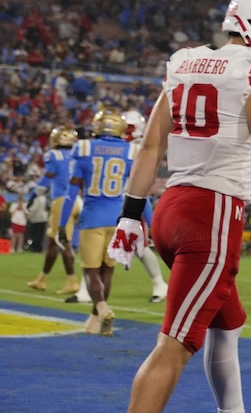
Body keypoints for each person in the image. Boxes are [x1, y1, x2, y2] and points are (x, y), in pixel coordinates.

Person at [106, 0, 251, 413]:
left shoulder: (185, 60)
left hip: (172, 207)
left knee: (228, 323)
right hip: (211, 214)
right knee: (174, 344)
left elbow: (152, 144)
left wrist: (131, 215)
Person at [59, 108, 135, 336]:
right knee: (107, 272)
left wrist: (63, 224)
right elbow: (138, 192)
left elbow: (71, 193)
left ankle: (101, 308)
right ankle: (96, 319)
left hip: (92, 218)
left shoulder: (83, 148)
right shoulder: (131, 151)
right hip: (118, 219)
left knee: (91, 272)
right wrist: (145, 222)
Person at [26, 124, 80, 296]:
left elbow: (47, 178)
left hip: (62, 201)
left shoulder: (53, 155)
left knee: (62, 242)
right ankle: (42, 279)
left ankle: (72, 280)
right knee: (53, 241)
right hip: (77, 199)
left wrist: (34, 195)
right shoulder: (76, 155)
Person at [121, 108, 168, 302]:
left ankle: (159, 283)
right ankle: (86, 288)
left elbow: (143, 184)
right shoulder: (125, 147)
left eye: (128, 127)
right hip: (113, 200)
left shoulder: (138, 148)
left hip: (130, 200)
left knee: (140, 246)